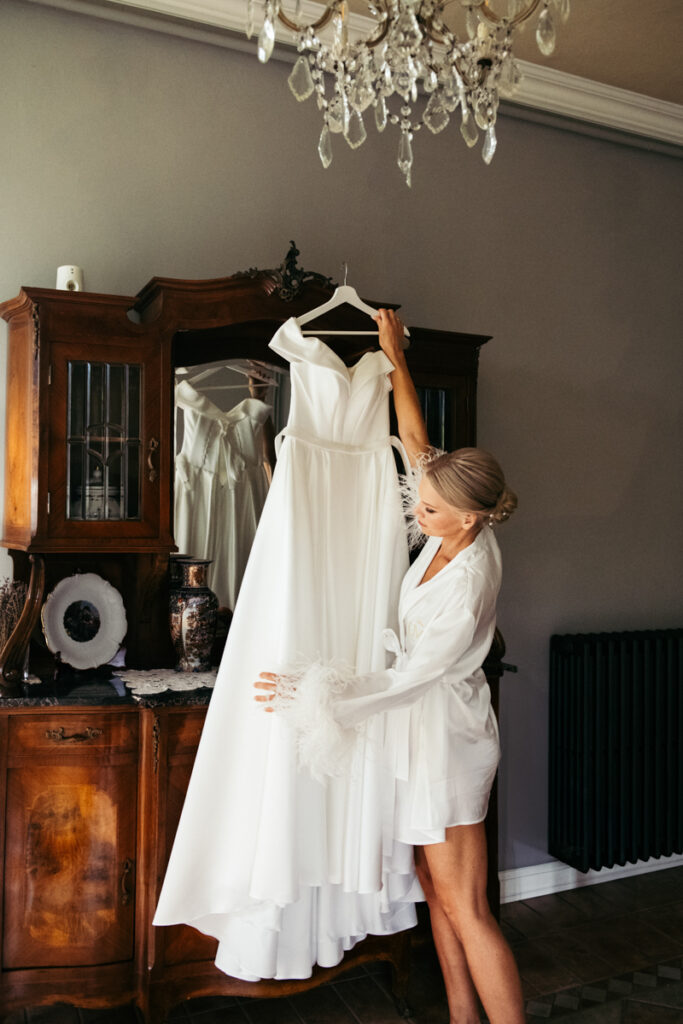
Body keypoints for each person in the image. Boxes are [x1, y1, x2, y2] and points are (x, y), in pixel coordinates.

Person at [255, 308, 525, 1024]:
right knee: (434, 893)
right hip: (414, 733)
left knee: (466, 906)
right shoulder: (452, 515)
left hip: (444, 742)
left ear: (470, 518)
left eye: (430, 508)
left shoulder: (467, 582)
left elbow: (409, 678)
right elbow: (414, 441)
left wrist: (311, 690)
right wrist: (393, 354)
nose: (418, 507)